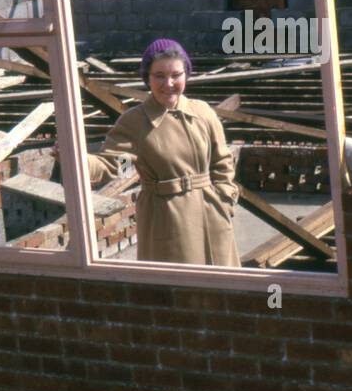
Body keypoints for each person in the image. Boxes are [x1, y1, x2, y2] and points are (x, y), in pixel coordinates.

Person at [85, 38, 240, 266]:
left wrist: (225, 199)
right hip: (167, 220)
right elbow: (116, 165)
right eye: (159, 76)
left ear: (186, 75)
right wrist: (76, 159)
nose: (168, 84)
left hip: (214, 216)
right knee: (180, 292)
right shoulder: (134, 122)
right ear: (147, 79)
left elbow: (222, 162)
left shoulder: (203, 112)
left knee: (224, 291)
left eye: (176, 75)